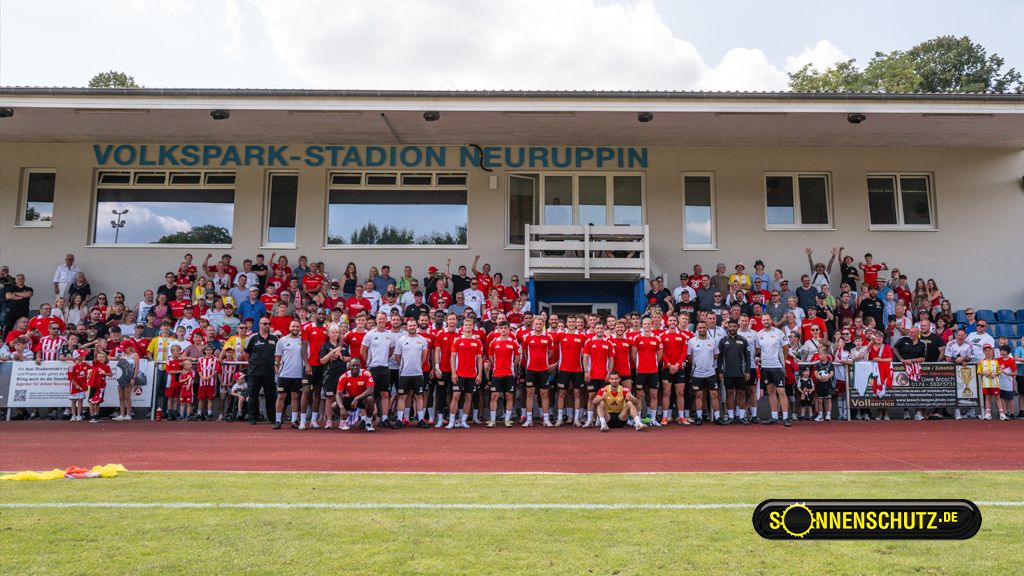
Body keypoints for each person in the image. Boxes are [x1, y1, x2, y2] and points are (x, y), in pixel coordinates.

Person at [756, 313, 792, 426]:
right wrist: (758, 358)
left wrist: (783, 360)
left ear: (771, 320)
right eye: (763, 320)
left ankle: (786, 417)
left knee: (781, 391)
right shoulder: (759, 334)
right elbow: (758, 350)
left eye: (767, 319)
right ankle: (774, 416)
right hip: (765, 367)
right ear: (761, 321)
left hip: (777, 366)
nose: (765, 321)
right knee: (771, 392)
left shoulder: (778, 332)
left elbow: (786, 348)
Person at [362, 311, 396, 428]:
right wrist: (368, 362)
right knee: (371, 395)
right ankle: (368, 419)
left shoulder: (389, 335)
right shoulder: (370, 334)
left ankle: (385, 418)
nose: (382, 321)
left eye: (384, 319)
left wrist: (384, 359)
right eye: (380, 319)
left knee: (385, 394)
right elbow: (363, 350)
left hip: (385, 368)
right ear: (376, 320)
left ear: (386, 320)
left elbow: (391, 350)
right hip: (373, 368)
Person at [394, 318, 430, 428]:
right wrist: (404, 366)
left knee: (419, 396)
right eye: (410, 326)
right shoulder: (401, 340)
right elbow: (397, 356)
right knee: (402, 397)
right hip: (404, 374)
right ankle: (400, 420)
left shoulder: (422, 340)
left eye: (414, 325)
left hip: (418, 373)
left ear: (417, 326)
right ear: (407, 327)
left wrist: (417, 365)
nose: (412, 327)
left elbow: (424, 356)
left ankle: (421, 420)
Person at [448, 318, 483, 429]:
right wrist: (454, 372)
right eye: (466, 325)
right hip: (459, 374)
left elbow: (479, 359)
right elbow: (453, 357)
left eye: (470, 325)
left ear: (473, 327)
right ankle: (452, 421)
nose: (468, 327)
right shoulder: (457, 340)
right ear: (462, 327)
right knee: (456, 396)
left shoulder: (477, 341)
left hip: (472, 374)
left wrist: (480, 374)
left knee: (469, 397)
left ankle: (463, 420)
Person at [245, 317, 279, 425]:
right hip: (254, 372)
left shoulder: (274, 339)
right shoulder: (253, 338)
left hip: (269, 372)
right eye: (265, 324)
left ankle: (272, 417)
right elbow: (246, 354)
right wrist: (253, 363)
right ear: (259, 324)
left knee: (270, 396)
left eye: (268, 323)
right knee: (253, 396)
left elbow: (278, 354)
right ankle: (252, 417)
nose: (267, 325)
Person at [486, 321, 520, 428]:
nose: (504, 330)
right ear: (498, 329)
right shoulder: (494, 342)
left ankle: (507, 419)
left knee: (509, 396)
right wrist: (496, 365)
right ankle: (492, 420)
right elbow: (490, 357)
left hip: (509, 374)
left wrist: (511, 366)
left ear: (509, 329)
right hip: (497, 374)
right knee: (494, 396)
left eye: (505, 328)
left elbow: (517, 358)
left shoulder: (513, 342)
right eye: (502, 328)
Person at [273, 320, 305, 430]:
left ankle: (294, 420)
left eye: (297, 326)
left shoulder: (302, 341)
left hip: (298, 374)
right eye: (293, 326)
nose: (295, 328)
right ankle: (277, 420)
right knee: (281, 396)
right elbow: (278, 357)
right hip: (284, 373)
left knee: (295, 397)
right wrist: (277, 367)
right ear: (289, 327)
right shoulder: (282, 341)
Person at [717, 319, 750, 425]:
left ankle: (741, 416)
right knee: (729, 393)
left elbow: (748, 357)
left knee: (741, 393)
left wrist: (747, 371)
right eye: (730, 326)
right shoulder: (723, 341)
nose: (732, 328)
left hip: (740, 372)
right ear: (727, 327)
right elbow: (719, 358)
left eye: (734, 326)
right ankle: (730, 416)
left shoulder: (743, 340)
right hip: (727, 372)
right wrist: (720, 371)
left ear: (737, 327)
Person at [335, 359, 376, 432]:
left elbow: (371, 389)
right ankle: (346, 419)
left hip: (362, 399)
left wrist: (357, 398)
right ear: (349, 366)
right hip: (350, 399)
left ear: (360, 366)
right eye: (353, 365)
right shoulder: (344, 377)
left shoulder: (366, 373)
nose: (355, 367)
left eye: (357, 365)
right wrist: (341, 407)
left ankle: (368, 423)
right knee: (334, 406)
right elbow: (338, 394)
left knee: (370, 399)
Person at [86, 350, 112, 423]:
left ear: (105, 358)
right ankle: (91, 416)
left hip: (101, 386)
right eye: (99, 357)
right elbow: (94, 355)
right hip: (93, 385)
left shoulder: (106, 366)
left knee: (98, 401)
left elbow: (111, 374)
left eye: (102, 357)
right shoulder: (96, 364)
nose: (100, 358)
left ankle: (96, 415)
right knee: (91, 401)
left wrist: (105, 373)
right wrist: (96, 348)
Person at [977, 344, 1002, 420]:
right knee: (987, 398)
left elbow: (1000, 371)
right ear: (984, 352)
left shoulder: (996, 361)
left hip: (995, 383)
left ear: (992, 351)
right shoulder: (981, 362)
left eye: (989, 350)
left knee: (997, 398)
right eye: (986, 351)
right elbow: (978, 372)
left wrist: (995, 374)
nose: (988, 352)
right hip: (986, 384)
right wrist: (985, 373)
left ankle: (1002, 414)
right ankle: (988, 414)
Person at [66, 350, 90, 422]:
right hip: (74, 386)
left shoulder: (85, 364)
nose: (84, 356)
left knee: (80, 400)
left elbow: (91, 368)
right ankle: (73, 415)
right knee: (73, 400)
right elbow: (70, 377)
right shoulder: (71, 366)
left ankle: (79, 415)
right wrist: (76, 385)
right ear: (77, 356)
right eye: (82, 355)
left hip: (82, 386)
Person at [996, 345, 1016, 421]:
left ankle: (1012, 413)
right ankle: (1004, 412)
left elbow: (1015, 373)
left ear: (1008, 352)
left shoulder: (1011, 360)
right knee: (1002, 398)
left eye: (1004, 351)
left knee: (1010, 399)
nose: (1002, 352)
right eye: (1001, 350)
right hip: (1000, 383)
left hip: (1009, 383)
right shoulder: (998, 360)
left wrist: (1007, 373)